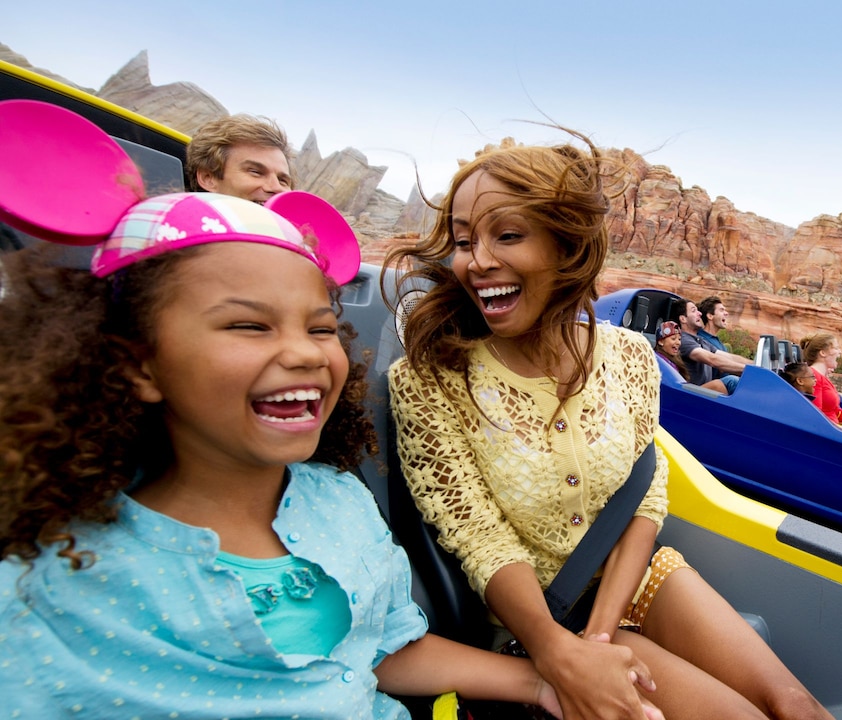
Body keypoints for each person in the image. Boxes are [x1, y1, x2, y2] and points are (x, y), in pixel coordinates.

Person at [0, 101, 566, 718]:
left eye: (322, 328)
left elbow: (381, 649)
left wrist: (540, 683)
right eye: (248, 325)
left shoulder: (342, 503)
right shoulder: (45, 586)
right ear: (139, 365)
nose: (302, 353)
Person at [386, 133, 832, 720]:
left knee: (796, 705)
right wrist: (565, 652)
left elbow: (644, 489)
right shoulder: (429, 379)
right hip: (540, 617)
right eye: (466, 241)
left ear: (566, 246)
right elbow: (478, 538)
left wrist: (600, 637)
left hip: (637, 577)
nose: (479, 261)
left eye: (508, 235)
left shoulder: (628, 355)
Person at [186, 113, 293, 203]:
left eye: (282, 181)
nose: (276, 188)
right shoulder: (175, 224)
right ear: (208, 178)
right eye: (256, 172)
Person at [675, 298, 748, 393]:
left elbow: (729, 357)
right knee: (732, 381)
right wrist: (749, 371)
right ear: (683, 319)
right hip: (692, 393)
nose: (700, 314)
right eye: (694, 310)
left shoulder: (701, 341)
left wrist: (756, 365)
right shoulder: (683, 339)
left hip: (707, 392)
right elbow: (712, 360)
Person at [656, 320, 728, 393]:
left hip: (681, 391)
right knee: (718, 385)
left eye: (679, 339)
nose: (678, 343)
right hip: (675, 395)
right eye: (673, 339)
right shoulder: (658, 360)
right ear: (661, 341)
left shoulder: (676, 359)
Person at [695, 296, 742, 392]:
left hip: (723, 386)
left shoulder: (721, 344)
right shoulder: (701, 339)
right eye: (721, 310)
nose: (726, 313)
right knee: (734, 381)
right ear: (710, 316)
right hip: (710, 390)